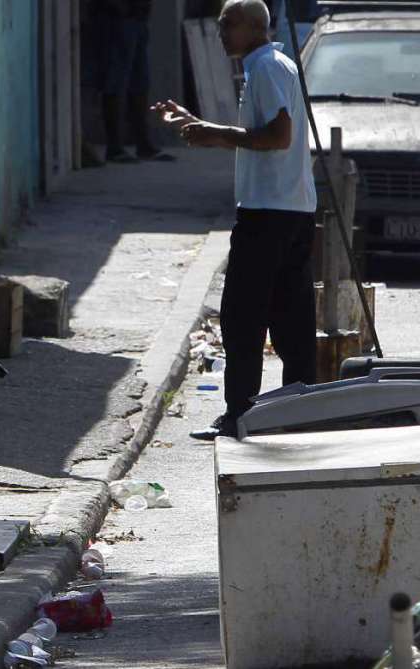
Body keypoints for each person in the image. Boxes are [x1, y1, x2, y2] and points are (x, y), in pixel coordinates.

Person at [156, 0, 317, 439]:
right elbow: (262, 135)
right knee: (291, 319)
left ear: (253, 27)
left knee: (243, 318)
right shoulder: (272, 64)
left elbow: (277, 137)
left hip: (268, 213)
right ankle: (300, 412)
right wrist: (199, 124)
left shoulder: (265, 67)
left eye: (228, 25)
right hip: (293, 209)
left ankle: (240, 415)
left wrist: (212, 134)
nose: (221, 33)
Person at [96, 0, 173, 162]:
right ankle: (115, 147)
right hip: (117, 18)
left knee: (139, 83)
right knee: (116, 82)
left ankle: (142, 143)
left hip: (136, 16)